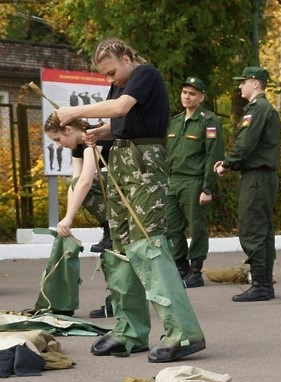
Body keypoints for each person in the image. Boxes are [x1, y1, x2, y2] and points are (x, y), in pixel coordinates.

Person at [56, 38, 206, 363]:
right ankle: (131, 330)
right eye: (106, 77)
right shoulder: (122, 83)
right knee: (121, 249)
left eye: (112, 72)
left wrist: (76, 112)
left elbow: (122, 108)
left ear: (126, 58)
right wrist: (100, 132)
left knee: (148, 245)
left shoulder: (144, 74)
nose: (111, 80)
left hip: (144, 164)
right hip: (122, 164)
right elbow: (122, 122)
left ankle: (184, 332)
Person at [214, 67, 281, 302]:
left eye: (243, 82)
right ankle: (263, 283)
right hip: (261, 176)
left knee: (253, 228)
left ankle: (261, 284)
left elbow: (246, 142)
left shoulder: (258, 109)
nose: (240, 86)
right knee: (262, 230)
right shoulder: (262, 109)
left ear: (255, 83)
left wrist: (227, 163)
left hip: (257, 177)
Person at [44, 114, 114, 318]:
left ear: (68, 130)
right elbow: (75, 182)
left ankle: (111, 225)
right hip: (112, 194)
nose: (58, 145)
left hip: (128, 187)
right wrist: (67, 217)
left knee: (87, 183)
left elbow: (85, 181)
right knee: (113, 254)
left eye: (57, 139)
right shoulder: (77, 145)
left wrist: (68, 219)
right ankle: (117, 301)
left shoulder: (94, 137)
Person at [167, 76, 224, 288]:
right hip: (173, 181)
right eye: (185, 92)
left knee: (197, 227)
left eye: (192, 93)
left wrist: (208, 187)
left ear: (201, 97)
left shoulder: (208, 121)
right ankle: (180, 265)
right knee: (171, 227)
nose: (187, 97)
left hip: (194, 182)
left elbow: (214, 155)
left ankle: (195, 270)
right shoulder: (174, 121)